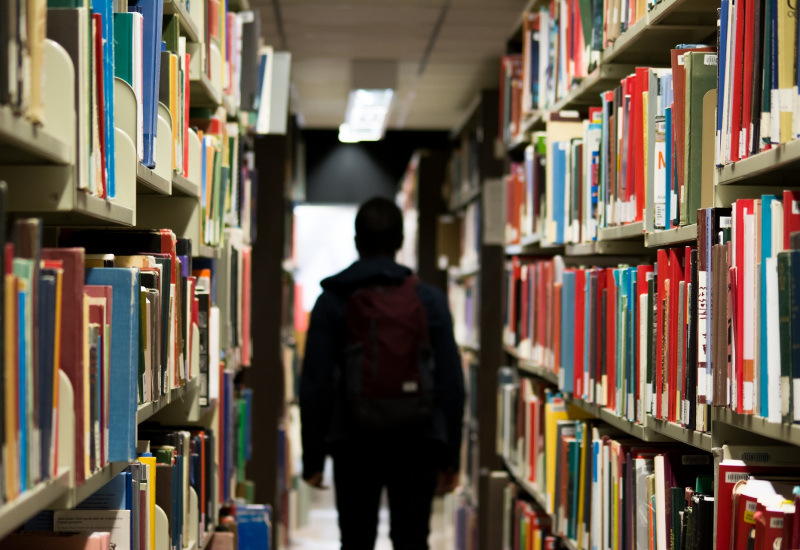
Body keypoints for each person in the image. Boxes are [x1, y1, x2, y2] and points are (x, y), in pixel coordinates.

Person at [299, 196, 465, 550]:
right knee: (412, 539)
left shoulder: (332, 299)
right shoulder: (429, 299)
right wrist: (450, 457)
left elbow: (315, 384)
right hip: (418, 440)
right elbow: (451, 381)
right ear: (401, 241)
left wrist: (313, 457)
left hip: (353, 441)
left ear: (357, 241)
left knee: (356, 540)